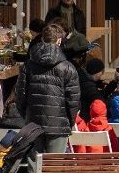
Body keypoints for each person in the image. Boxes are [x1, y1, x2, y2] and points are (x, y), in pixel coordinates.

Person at [17, 22, 81, 154]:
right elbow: (73, 100)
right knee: (54, 166)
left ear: (41, 39)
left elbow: (20, 95)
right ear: (59, 40)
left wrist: (27, 115)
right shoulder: (67, 67)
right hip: (58, 124)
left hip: (33, 123)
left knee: (35, 166)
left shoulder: (28, 65)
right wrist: (69, 121)